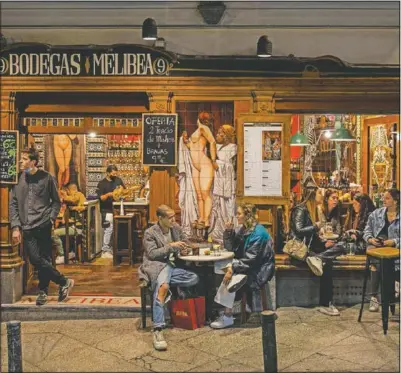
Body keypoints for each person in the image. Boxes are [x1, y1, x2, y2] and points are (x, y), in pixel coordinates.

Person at [9, 147, 74, 306]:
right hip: (27, 226)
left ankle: (43, 292)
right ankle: (63, 281)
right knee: (35, 259)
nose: (20, 162)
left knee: (44, 258)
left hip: (43, 224)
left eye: (24, 159)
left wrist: (50, 219)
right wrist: (15, 227)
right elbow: (13, 204)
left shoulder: (47, 178)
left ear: (33, 162)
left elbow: (56, 202)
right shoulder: (17, 179)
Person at [139, 205, 199, 351]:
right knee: (163, 288)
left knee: (194, 277)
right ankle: (158, 329)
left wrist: (186, 249)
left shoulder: (176, 228)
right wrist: (171, 246)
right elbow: (152, 254)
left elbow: (187, 243)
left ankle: (161, 282)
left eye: (174, 216)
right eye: (170, 217)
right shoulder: (150, 232)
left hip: (173, 266)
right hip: (158, 265)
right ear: (160, 218)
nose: (174, 219)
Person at [210, 203, 275, 329]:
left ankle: (227, 316)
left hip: (260, 271)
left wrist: (232, 268)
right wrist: (229, 232)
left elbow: (251, 259)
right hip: (250, 266)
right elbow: (233, 248)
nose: (237, 216)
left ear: (247, 216)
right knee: (220, 269)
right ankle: (224, 308)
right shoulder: (244, 229)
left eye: (239, 214)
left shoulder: (258, 233)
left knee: (231, 276)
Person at [289, 189, 343, 316]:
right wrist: (316, 227)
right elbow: (298, 230)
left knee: (339, 248)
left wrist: (324, 244)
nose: (322, 196)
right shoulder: (301, 209)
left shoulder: (312, 210)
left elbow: (313, 236)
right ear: (312, 194)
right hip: (299, 250)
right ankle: (325, 304)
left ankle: (326, 302)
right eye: (319, 193)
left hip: (310, 249)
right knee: (327, 264)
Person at [363, 188, 400, 312]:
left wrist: (394, 241)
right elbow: (366, 230)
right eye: (384, 197)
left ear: (395, 201)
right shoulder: (376, 214)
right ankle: (375, 296)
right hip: (377, 250)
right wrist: (370, 239)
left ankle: (393, 286)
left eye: (387, 198)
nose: (383, 200)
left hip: (395, 253)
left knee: (382, 263)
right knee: (375, 261)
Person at [182, 111, 217, 229]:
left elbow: (212, 141)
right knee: (199, 195)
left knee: (204, 193)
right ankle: (201, 217)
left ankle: (206, 220)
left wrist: (213, 160)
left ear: (199, 119)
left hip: (205, 164)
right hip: (196, 166)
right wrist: (185, 140)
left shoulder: (203, 128)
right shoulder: (197, 131)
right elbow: (191, 148)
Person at [209, 125, 237, 242]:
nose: (217, 135)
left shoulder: (233, 147)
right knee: (219, 207)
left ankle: (228, 231)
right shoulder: (218, 147)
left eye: (220, 133)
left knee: (228, 207)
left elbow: (230, 166)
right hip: (219, 182)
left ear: (226, 135)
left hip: (227, 183)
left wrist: (217, 163)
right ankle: (218, 232)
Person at [96, 165, 125, 259]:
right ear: (108, 173)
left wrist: (122, 192)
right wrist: (109, 194)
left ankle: (112, 248)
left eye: (116, 174)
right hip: (106, 210)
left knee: (117, 229)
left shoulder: (118, 180)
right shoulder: (101, 183)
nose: (115, 175)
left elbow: (124, 190)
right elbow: (101, 198)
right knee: (108, 229)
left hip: (117, 209)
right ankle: (105, 250)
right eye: (113, 174)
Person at [54, 182, 86, 264]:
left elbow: (73, 200)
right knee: (59, 229)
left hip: (76, 227)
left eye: (68, 192)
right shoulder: (74, 197)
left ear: (70, 190)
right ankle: (70, 252)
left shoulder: (78, 195)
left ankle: (61, 255)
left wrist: (64, 196)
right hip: (72, 226)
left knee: (53, 233)